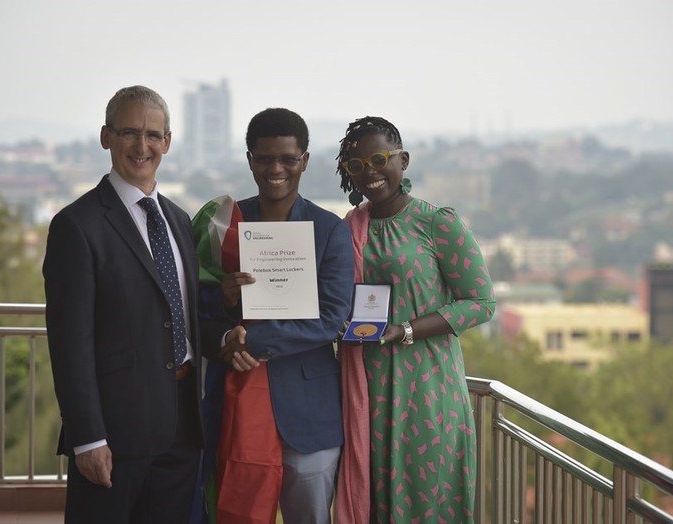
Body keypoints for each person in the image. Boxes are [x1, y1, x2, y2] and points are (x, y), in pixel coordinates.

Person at [43, 85, 203, 523]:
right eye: (129, 132)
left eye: (154, 135)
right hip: (115, 436)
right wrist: (88, 439)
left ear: (167, 142)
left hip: (182, 428)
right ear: (105, 137)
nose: (142, 145)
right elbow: (69, 343)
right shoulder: (76, 226)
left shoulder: (179, 219)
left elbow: (185, 315)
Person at [194, 107, 354, 523]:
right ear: (250, 160)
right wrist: (228, 309)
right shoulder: (225, 223)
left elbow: (333, 318)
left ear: (304, 160)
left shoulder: (329, 229)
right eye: (265, 159)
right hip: (237, 400)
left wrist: (254, 343)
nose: (276, 168)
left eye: (288, 159)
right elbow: (196, 309)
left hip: (307, 413)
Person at [334, 116, 496, 524]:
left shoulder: (436, 223)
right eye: (357, 165)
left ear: (402, 159)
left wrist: (405, 330)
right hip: (366, 393)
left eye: (378, 158)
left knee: (426, 501)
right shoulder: (347, 230)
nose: (369, 172)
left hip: (427, 391)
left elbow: (480, 302)